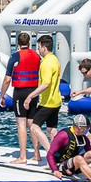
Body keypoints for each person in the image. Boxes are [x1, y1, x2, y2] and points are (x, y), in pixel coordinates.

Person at [0, 31, 41, 164]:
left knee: (21, 123)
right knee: (32, 123)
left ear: (18, 43)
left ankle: (23, 156)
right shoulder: (37, 56)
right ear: (29, 43)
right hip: (34, 91)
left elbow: (7, 79)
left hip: (20, 92)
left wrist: (2, 95)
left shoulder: (15, 57)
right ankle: (37, 153)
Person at [24, 34, 62, 162]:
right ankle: (61, 156)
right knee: (52, 130)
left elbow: (46, 84)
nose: (38, 50)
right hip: (56, 101)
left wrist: (30, 96)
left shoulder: (46, 63)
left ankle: (51, 154)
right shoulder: (55, 59)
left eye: (39, 47)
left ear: (44, 48)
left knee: (34, 127)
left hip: (48, 102)